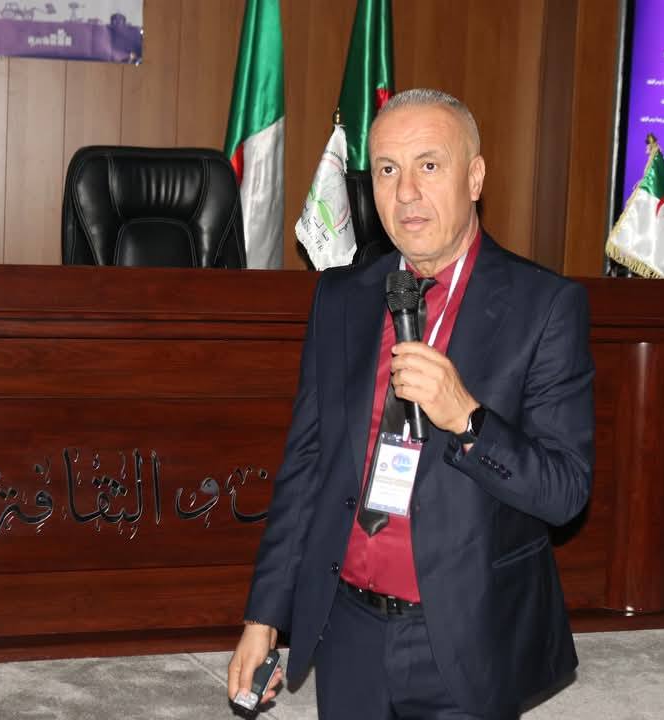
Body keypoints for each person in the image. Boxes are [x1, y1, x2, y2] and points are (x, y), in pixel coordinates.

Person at [227, 88, 594, 720]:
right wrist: (263, 617)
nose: (405, 193)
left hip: (468, 633)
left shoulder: (544, 306)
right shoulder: (340, 298)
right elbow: (306, 470)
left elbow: (564, 492)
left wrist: (469, 420)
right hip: (348, 629)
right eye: (387, 170)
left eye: (429, 165)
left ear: (474, 178)